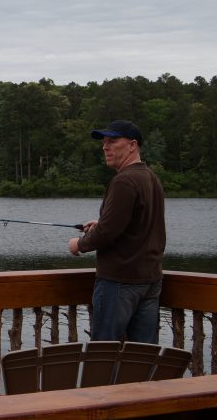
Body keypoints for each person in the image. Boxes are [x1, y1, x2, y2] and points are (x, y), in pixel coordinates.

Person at [68, 120, 165, 344]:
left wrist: (79, 244)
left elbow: (107, 233)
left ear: (132, 145)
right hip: (149, 280)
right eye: (104, 142)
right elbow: (135, 224)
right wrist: (101, 223)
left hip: (119, 281)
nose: (105, 147)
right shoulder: (150, 178)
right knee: (142, 355)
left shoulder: (124, 181)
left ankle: (103, 381)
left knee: (104, 351)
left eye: (112, 141)